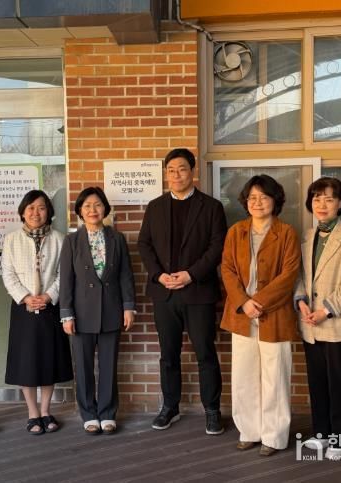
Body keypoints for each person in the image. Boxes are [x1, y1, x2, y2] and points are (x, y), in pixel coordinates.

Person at [138, 148, 227, 435]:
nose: (176, 175)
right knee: (168, 355)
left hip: (198, 292)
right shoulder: (155, 207)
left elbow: (217, 247)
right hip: (164, 292)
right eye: (171, 170)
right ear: (166, 174)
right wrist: (159, 275)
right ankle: (170, 407)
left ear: (192, 172)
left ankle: (212, 410)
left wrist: (190, 275)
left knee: (205, 353)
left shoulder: (211, 207)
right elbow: (144, 244)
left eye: (182, 169)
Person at [220, 174, 300, 456]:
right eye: (252, 198)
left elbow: (289, 274)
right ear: (245, 202)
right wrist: (244, 302)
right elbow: (227, 269)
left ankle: (274, 436)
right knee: (244, 376)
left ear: (275, 201)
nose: (257, 202)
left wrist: (260, 302)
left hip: (274, 314)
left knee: (275, 377)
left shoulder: (287, 233)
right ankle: (249, 431)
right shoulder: (236, 231)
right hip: (242, 315)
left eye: (264, 197)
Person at [293, 177, 341, 460]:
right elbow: (300, 275)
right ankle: (321, 432)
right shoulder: (307, 236)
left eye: (329, 199)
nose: (322, 205)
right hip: (309, 322)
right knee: (317, 381)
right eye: (316, 199)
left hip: (336, 322)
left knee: (338, 383)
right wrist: (301, 301)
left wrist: (326, 309)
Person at [60, 187, 135, 435]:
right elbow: (66, 281)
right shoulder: (71, 241)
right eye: (87, 206)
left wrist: (128, 307)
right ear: (80, 211)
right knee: (82, 367)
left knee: (108, 365)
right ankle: (89, 414)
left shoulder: (117, 239)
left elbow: (125, 275)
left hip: (112, 310)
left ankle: (108, 413)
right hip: (81, 313)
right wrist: (66, 314)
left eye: (98, 205)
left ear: (105, 209)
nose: (93, 210)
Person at [2, 190, 73, 435]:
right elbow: (8, 274)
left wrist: (48, 296)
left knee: (48, 359)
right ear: (23, 211)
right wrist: (25, 297)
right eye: (30, 208)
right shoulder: (11, 239)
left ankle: (45, 410)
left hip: (50, 307)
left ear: (48, 212)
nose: (35, 213)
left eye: (41, 208)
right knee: (26, 361)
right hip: (23, 308)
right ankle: (32, 413)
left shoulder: (60, 239)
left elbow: (64, 274)